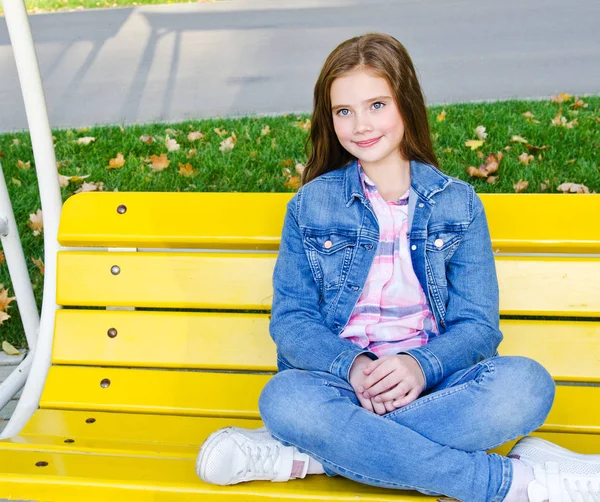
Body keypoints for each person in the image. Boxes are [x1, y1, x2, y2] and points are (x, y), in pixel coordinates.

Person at [196, 33, 600, 502]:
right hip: (339, 385)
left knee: (526, 386)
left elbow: (477, 327)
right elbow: (292, 320)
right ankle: (507, 483)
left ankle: (316, 456)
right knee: (284, 400)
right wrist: (355, 368)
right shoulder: (311, 204)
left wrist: (418, 367)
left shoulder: (459, 204)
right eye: (343, 111)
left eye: (376, 105)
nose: (361, 125)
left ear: (406, 104)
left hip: (436, 388)